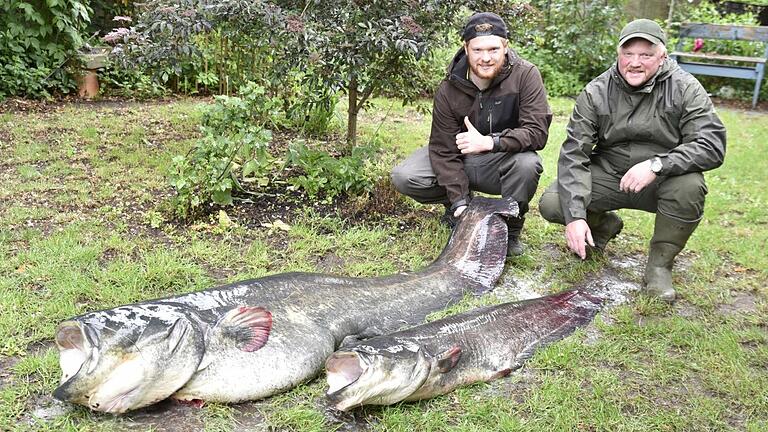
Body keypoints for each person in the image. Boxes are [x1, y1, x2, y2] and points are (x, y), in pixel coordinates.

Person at [538, 19, 726, 302]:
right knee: (554, 203)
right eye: (628, 54)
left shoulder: (686, 88)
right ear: (618, 54)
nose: (635, 63)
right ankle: (602, 226)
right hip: (610, 173)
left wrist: (657, 165)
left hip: (663, 178)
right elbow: (574, 154)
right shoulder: (596, 91)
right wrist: (575, 216)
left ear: (662, 57)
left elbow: (711, 145)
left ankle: (659, 266)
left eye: (646, 55)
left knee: (690, 186)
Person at [390, 12, 552, 256]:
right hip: (461, 158)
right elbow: (443, 149)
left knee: (527, 164)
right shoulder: (449, 87)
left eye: (493, 49)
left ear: (505, 47)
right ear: (466, 48)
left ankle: (511, 228)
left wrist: (491, 142)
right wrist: (459, 202)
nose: (485, 58)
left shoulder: (526, 75)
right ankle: (457, 206)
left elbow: (537, 133)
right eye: (477, 50)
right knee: (406, 175)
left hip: (502, 160)